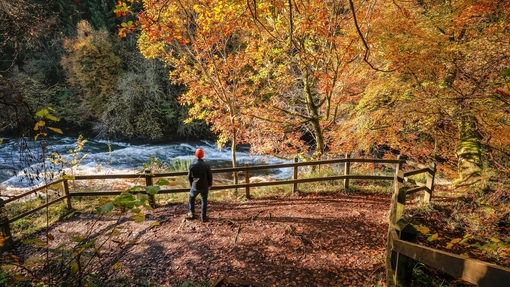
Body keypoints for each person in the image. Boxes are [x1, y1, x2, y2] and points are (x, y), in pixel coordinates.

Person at [187, 148, 213, 222]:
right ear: (203, 155)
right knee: (204, 200)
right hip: (204, 186)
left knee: (191, 197)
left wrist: (191, 184)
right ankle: (203, 216)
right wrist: (210, 185)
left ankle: (192, 213)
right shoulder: (206, 165)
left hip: (195, 185)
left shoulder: (192, 165)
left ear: (196, 155)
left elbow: (189, 177)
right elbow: (210, 176)